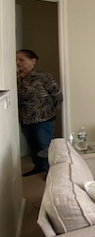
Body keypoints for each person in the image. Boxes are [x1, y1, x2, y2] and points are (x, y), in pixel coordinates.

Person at [16, 49, 63, 177]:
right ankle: (38, 166)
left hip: (43, 118)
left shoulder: (43, 77)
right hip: (25, 118)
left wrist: (49, 111)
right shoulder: (16, 78)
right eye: (17, 60)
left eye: (21, 60)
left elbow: (57, 95)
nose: (18, 63)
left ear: (33, 61)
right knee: (33, 144)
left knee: (44, 145)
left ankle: (51, 171)